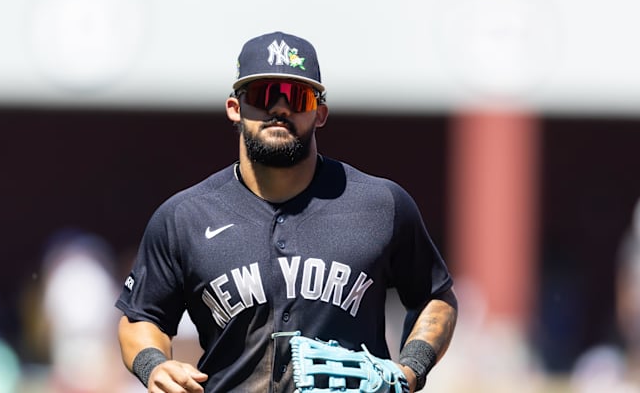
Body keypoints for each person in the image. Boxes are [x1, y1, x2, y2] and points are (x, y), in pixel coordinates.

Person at [115, 31, 458, 393]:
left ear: (320, 113)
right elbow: (140, 318)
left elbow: (435, 297)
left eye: (297, 96)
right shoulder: (184, 217)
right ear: (235, 108)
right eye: (263, 95)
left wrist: (411, 370)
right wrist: (153, 365)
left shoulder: (381, 204)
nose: (279, 108)